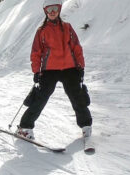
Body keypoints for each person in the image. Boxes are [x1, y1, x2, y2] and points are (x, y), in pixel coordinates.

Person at [16, 0, 92, 142]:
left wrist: (80, 66)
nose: (52, 12)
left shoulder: (67, 27)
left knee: (77, 97)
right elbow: (36, 53)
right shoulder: (41, 31)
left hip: (70, 69)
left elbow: (76, 47)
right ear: (46, 11)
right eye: (50, 9)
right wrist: (36, 71)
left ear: (59, 10)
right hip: (49, 70)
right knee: (40, 98)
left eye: (55, 9)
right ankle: (24, 128)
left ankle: (86, 126)